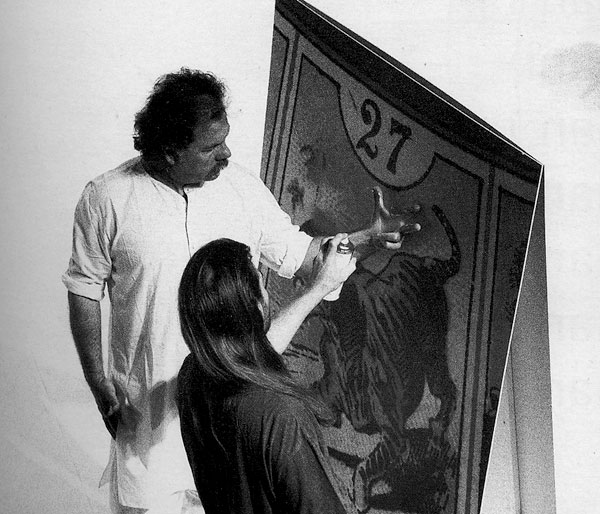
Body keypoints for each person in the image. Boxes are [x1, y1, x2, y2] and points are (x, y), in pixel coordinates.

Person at [63, 67, 417, 513]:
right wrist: (98, 381)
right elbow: (84, 287)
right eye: (210, 147)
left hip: (232, 440)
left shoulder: (242, 188)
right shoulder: (106, 198)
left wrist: (368, 238)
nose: (226, 154)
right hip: (150, 440)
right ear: (170, 151)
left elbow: (304, 257)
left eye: (225, 140)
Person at [176, 236, 356, 514]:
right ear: (257, 307)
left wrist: (319, 288)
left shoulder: (192, 376)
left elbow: (244, 352)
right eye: (262, 284)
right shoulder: (281, 417)